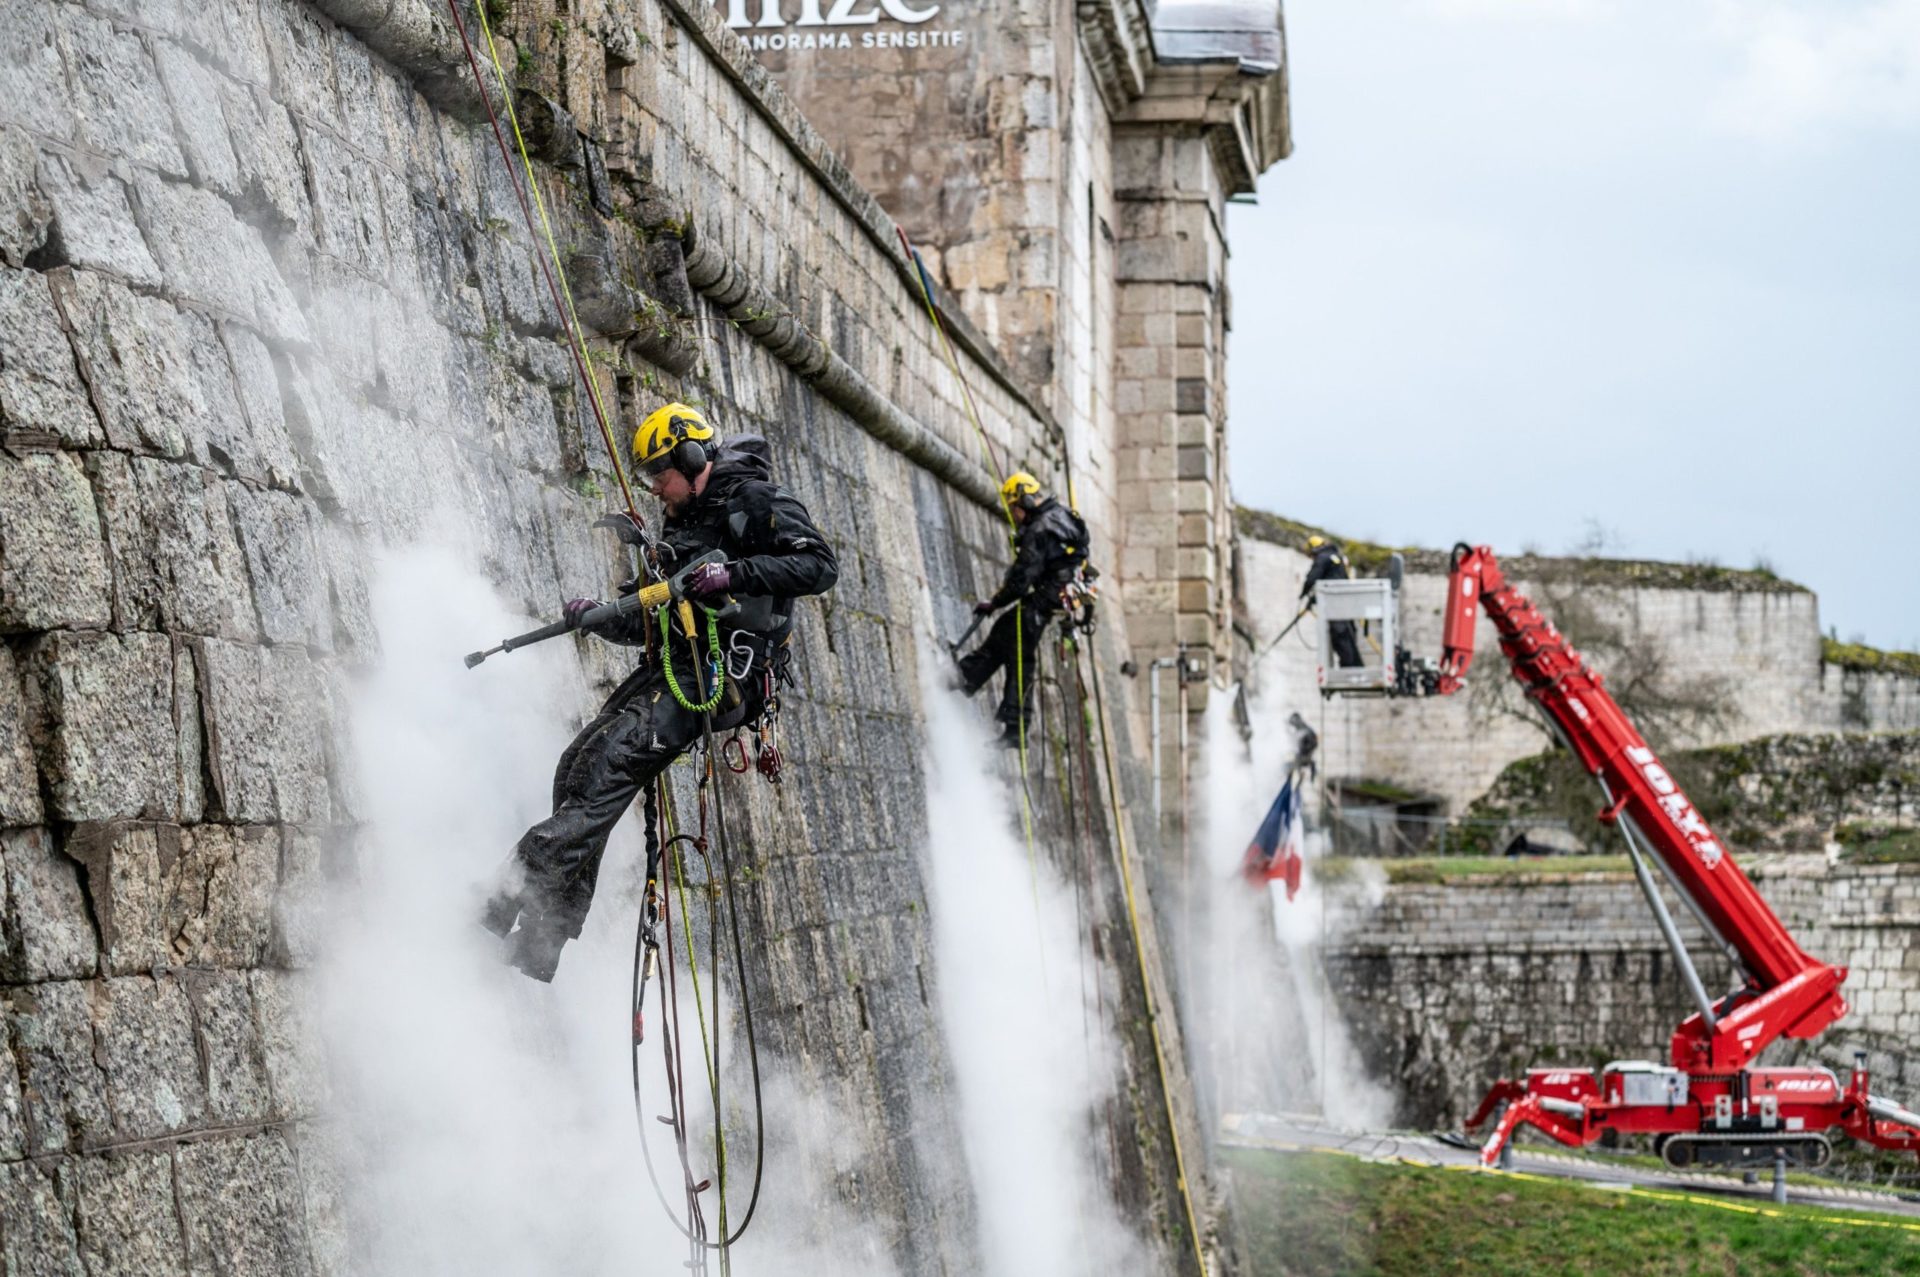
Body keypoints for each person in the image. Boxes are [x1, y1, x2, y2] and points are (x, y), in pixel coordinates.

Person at [480, 403, 838, 981]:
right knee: (576, 768)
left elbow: (820, 565)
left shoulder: (755, 501)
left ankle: (493, 905)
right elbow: (655, 615)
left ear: (693, 458)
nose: (654, 488)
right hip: (675, 666)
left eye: (659, 474)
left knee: (610, 767)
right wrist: (600, 616)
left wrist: (734, 575)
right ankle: (543, 941)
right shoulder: (680, 520)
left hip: (722, 677)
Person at [955, 472, 1089, 747]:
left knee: (1007, 635)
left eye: (1014, 507)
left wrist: (996, 602)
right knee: (1018, 651)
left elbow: (1020, 579)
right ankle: (1009, 721)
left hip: (1045, 597)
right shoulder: (1063, 516)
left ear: (1025, 501)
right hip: (1059, 594)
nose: (1013, 514)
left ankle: (963, 677)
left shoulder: (1040, 529)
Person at [1300, 533, 1362, 668]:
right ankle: (1354, 664)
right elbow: (1333, 579)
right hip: (1344, 602)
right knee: (1349, 634)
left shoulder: (1322, 558)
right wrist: (1314, 599)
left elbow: (1313, 578)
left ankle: (1348, 666)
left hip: (1335, 604)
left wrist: (1303, 594)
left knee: (1339, 634)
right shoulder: (1336, 557)